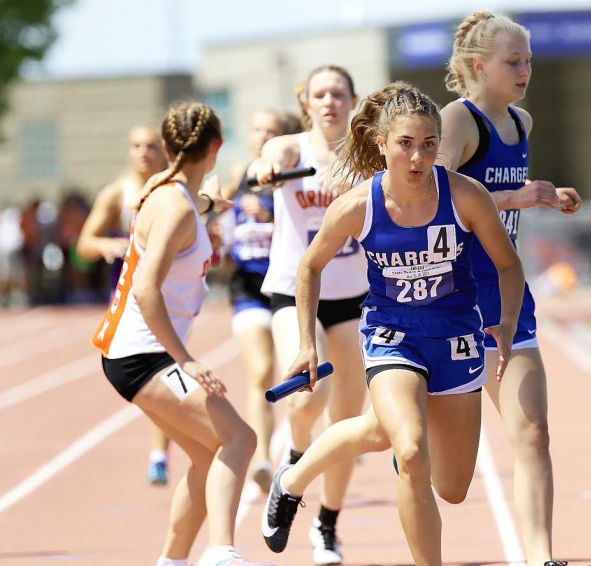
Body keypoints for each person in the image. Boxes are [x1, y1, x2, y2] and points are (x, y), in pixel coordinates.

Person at [259, 81, 524, 566]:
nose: (418, 157)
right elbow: (308, 266)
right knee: (412, 449)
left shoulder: (464, 196)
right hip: (392, 334)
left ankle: (291, 479)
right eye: (405, 144)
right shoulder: (357, 205)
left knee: (453, 486)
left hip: (455, 335)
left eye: (428, 144)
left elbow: (508, 264)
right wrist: (305, 343)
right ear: (381, 144)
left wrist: (505, 324)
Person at [91, 101, 269, 566]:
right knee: (240, 440)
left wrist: (211, 203)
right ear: (217, 147)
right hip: (142, 354)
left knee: (211, 457)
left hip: (136, 351)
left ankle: (172, 561)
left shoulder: (168, 191)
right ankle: (221, 552)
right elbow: (147, 291)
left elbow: (188, 201)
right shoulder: (175, 208)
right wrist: (185, 360)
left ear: (166, 146)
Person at [437, 12, 581, 566]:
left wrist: (544, 195)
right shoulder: (458, 119)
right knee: (437, 470)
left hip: (505, 298)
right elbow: (433, 197)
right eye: (512, 62)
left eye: (528, 62)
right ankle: (300, 474)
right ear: (479, 66)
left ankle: (540, 558)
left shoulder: (521, 123)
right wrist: (518, 197)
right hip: (448, 303)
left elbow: (505, 195)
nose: (524, 71)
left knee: (534, 434)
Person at [253, 65, 369, 565]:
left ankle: (327, 528)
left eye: (338, 94)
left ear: (353, 100)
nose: (329, 102)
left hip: (354, 296)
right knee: (306, 393)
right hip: (294, 292)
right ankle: (295, 463)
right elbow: (266, 159)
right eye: (320, 95)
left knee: (346, 420)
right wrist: (264, 168)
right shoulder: (290, 150)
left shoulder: (367, 156)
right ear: (307, 104)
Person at [77, 124, 173, 485]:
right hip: (130, 299)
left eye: (150, 145)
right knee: (154, 376)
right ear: (128, 151)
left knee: (167, 373)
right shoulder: (118, 194)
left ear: (163, 150)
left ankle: (162, 452)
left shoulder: (171, 190)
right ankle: (162, 449)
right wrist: (105, 246)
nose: (143, 152)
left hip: (169, 295)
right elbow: (84, 243)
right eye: (136, 146)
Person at [217, 108, 302, 492]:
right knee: (261, 371)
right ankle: (265, 457)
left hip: (283, 284)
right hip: (247, 286)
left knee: (294, 373)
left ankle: (303, 440)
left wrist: (266, 215)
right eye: (256, 129)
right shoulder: (239, 175)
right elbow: (220, 221)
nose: (262, 136)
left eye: (271, 131)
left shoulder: (290, 173)